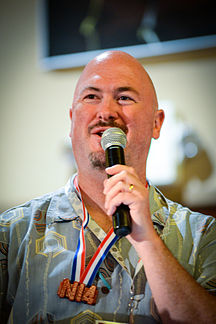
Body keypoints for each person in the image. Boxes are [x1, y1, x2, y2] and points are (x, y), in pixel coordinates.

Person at [0, 51, 216, 324]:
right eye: (91, 97)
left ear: (156, 123)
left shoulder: (204, 236)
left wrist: (147, 239)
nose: (106, 112)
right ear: (71, 119)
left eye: (124, 97)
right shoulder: (11, 233)